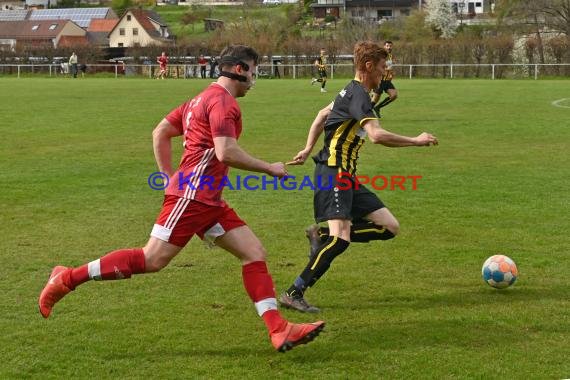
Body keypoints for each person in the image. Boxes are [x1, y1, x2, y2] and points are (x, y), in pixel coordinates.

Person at [38, 45, 325, 352]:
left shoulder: (198, 99)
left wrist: (166, 176)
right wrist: (269, 168)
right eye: (253, 73)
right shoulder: (222, 103)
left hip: (206, 199)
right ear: (239, 70)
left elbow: (160, 131)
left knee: (254, 252)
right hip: (193, 195)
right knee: (152, 259)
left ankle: (279, 330)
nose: (254, 80)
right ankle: (66, 278)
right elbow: (225, 151)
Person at [279, 41, 438, 313]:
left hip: (346, 176)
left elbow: (320, 116)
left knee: (389, 227)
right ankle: (295, 291)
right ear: (368, 66)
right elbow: (376, 136)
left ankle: (321, 234)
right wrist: (416, 140)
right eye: (381, 67)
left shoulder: (348, 90)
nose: (384, 73)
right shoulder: (359, 95)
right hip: (334, 172)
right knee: (340, 240)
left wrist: (307, 149)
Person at [371, 41, 398, 115]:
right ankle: (363, 114)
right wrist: (386, 70)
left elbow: (390, 67)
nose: (389, 47)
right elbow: (376, 67)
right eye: (387, 46)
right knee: (374, 100)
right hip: (379, 80)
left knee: (394, 95)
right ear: (384, 47)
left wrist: (391, 73)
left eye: (390, 46)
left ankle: (378, 108)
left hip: (387, 81)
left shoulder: (391, 56)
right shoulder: (379, 56)